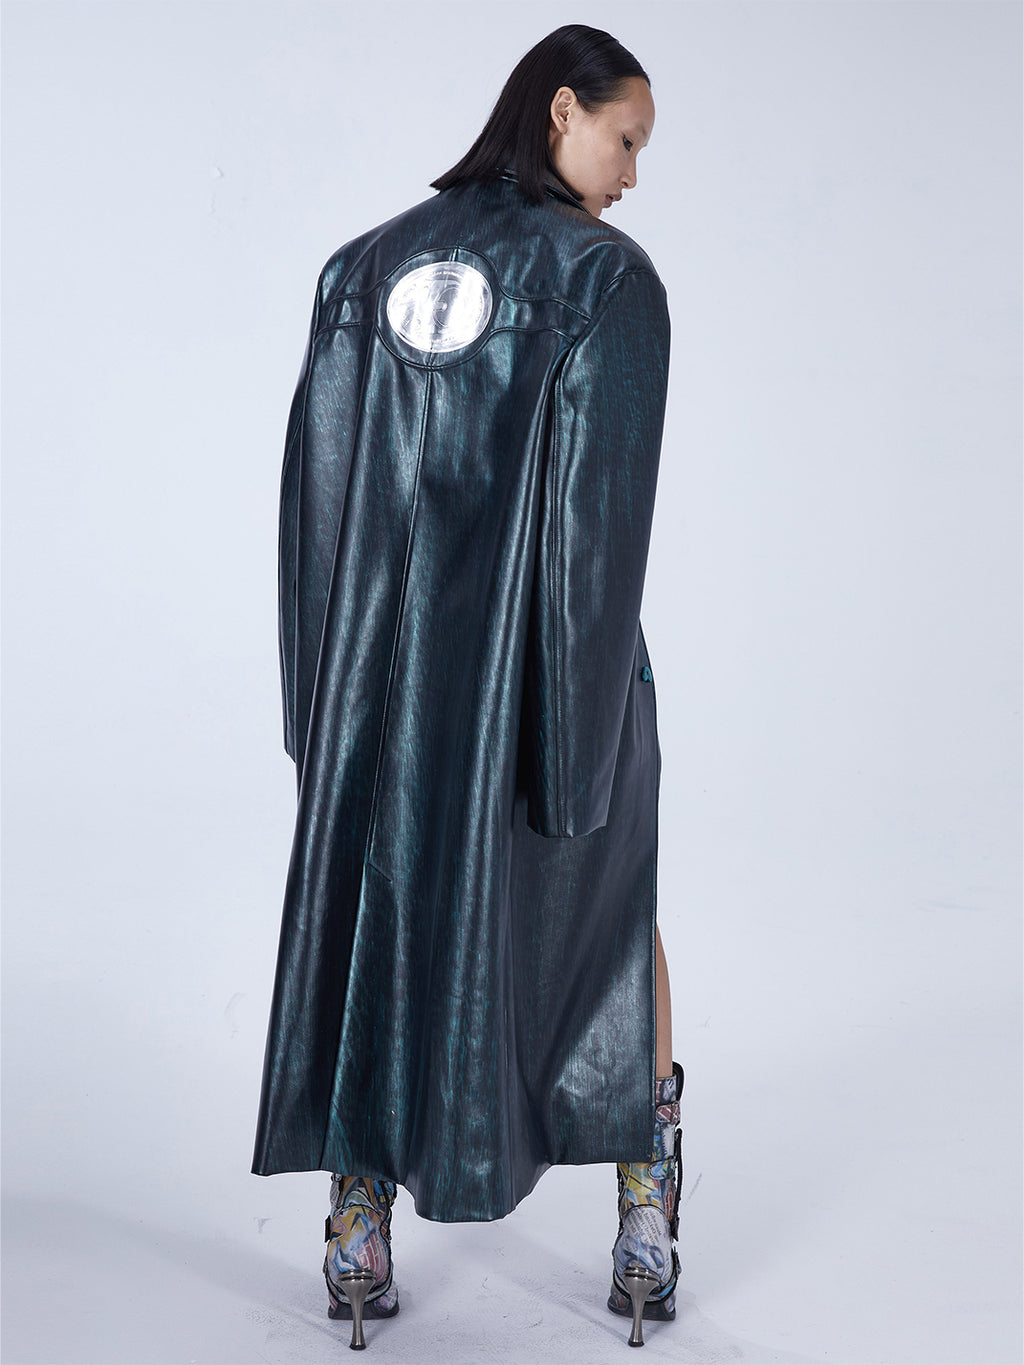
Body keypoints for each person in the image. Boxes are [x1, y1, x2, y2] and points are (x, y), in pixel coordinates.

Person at [251, 23, 685, 1350]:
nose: (632, 176)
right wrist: (577, 745)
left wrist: (320, 705)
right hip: (548, 669)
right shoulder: (607, 280)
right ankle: (646, 1219)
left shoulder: (357, 271)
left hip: (382, 685)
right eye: (626, 141)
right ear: (562, 111)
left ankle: (357, 1230)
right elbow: (594, 532)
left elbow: (315, 501)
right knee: (612, 924)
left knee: (380, 911)